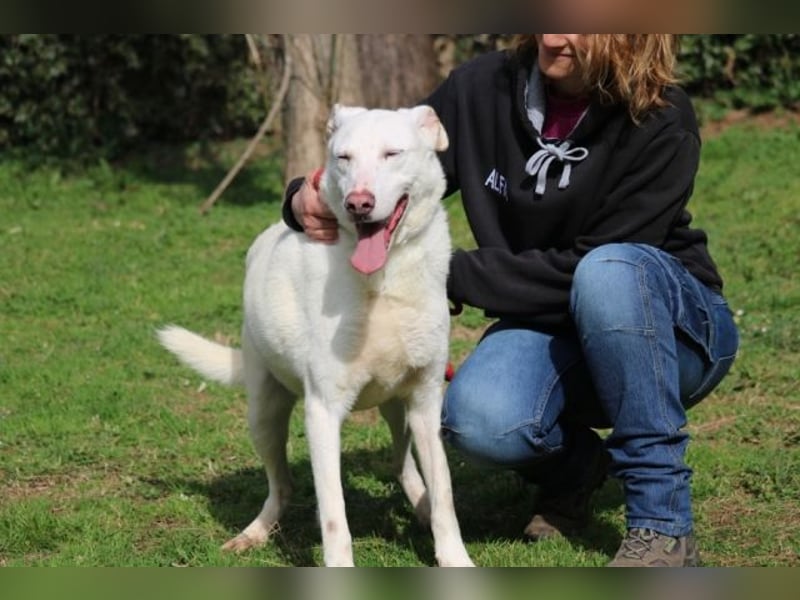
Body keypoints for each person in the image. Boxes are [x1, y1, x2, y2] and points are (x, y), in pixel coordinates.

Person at [282, 34, 739, 567]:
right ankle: (577, 471)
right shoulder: (483, 88)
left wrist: (445, 273)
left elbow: (585, 270)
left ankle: (663, 525)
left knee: (608, 271)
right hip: (548, 322)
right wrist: (304, 196)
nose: (551, 35)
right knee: (479, 420)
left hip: (672, 330)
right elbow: (400, 164)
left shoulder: (661, 117)